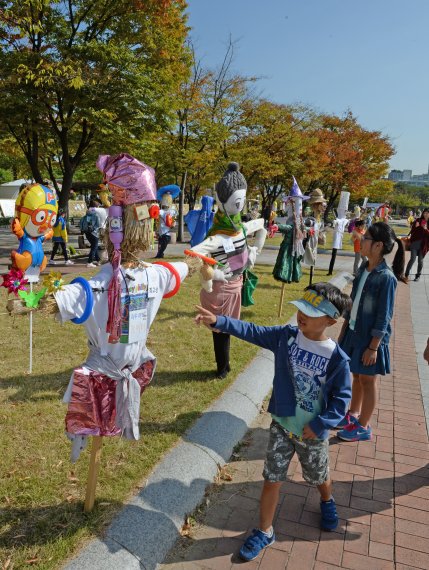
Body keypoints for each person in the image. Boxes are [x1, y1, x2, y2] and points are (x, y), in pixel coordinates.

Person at [195, 282, 352, 561]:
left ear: (330, 320)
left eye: (310, 312)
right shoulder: (286, 337)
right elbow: (253, 331)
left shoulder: (336, 359)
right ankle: (265, 531)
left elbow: (341, 400)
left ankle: (327, 500)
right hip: (282, 425)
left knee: (318, 475)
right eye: (301, 309)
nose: (301, 315)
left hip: (312, 434)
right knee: (272, 479)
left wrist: (320, 424)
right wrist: (219, 321)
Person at [337, 222, 406, 442]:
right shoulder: (363, 268)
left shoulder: (386, 278)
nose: (361, 240)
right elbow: (353, 302)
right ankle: (353, 415)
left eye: (365, 238)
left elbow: (384, 316)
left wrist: (373, 347)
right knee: (356, 375)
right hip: (355, 332)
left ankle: (363, 426)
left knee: (368, 380)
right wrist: (344, 329)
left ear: (378, 245)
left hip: (371, 339)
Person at [405, 208, 429, 282]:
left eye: (427, 213)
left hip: (424, 245)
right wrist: (415, 227)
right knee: (412, 259)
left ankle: (418, 276)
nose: (425, 214)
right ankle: (406, 274)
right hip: (415, 243)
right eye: (424, 213)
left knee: (420, 261)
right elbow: (412, 231)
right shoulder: (418, 220)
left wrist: (426, 229)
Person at [80, 200, 101, 267]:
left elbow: (81, 221)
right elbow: (98, 224)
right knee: (94, 247)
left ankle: (98, 260)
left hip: (87, 232)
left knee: (94, 246)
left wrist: (82, 229)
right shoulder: (96, 215)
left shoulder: (87, 214)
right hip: (94, 233)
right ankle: (90, 262)